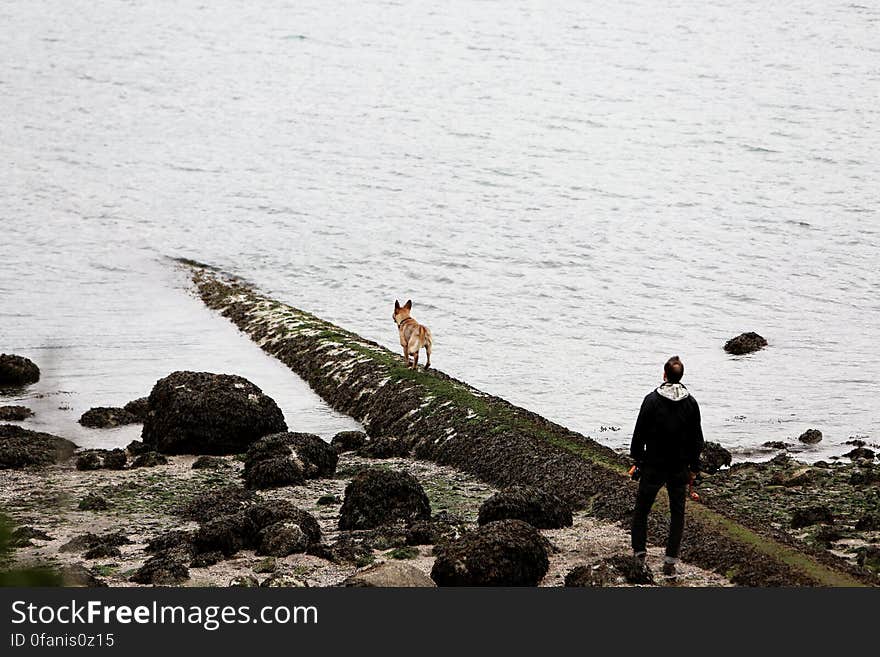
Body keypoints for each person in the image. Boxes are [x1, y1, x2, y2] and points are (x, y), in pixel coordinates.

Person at [629, 355, 704, 577]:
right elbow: (697, 439)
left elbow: (639, 433)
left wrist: (637, 460)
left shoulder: (651, 400)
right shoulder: (691, 403)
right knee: (677, 513)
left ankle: (639, 554)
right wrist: (694, 467)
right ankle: (670, 562)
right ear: (681, 377)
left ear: (664, 375)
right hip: (679, 467)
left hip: (653, 464)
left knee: (642, 509)